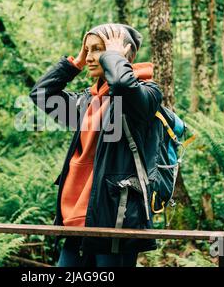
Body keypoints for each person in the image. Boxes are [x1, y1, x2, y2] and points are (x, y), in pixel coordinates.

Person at [29, 23, 163, 267]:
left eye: (97, 50)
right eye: (86, 50)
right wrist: (75, 63)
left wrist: (113, 55)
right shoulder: (85, 101)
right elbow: (40, 94)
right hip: (76, 219)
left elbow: (123, 86)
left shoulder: (146, 95)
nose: (90, 56)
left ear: (123, 53)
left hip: (113, 219)